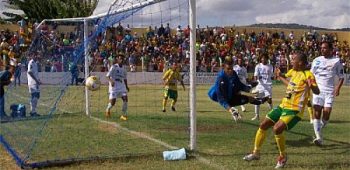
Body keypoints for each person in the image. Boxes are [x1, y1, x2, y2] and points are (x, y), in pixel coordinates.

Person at [243, 51, 320, 168]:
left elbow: (317, 91)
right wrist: (279, 76)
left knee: (277, 129)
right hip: (283, 105)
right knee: (263, 124)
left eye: (293, 60)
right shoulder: (293, 72)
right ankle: (256, 153)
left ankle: (283, 157)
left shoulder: (308, 74)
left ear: (300, 63)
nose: (291, 62)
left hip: (294, 110)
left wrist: (312, 85)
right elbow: (290, 85)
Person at [310, 41, 344, 146]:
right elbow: (311, 75)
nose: (322, 49)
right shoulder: (316, 60)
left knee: (326, 114)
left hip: (329, 91)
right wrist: (312, 86)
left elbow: (341, 77)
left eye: (325, 48)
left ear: (330, 49)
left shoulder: (337, 61)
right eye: (321, 48)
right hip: (317, 91)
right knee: (316, 113)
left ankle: (318, 128)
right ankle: (319, 138)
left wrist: (337, 88)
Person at [105, 54, 130, 121]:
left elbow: (125, 78)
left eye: (122, 59)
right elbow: (107, 76)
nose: (121, 60)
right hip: (114, 87)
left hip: (121, 86)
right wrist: (111, 81)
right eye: (120, 58)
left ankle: (123, 115)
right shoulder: (114, 67)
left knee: (125, 99)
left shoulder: (124, 69)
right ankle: (107, 109)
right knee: (113, 102)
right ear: (117, 60)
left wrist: (126, 86)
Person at [251, 53, 274, 121]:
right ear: (261, 59)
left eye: (265, 58)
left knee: (269, 100)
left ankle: (272, 115)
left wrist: (275, 76)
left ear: (267, 59)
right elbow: (255, 77)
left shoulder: (270, 66)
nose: (263, 59)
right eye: (262, 58)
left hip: (268, 85)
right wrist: (258, 77)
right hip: (260, 85)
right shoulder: (258, 66)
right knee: (257, 100)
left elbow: (272, 76)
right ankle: (256, 115)